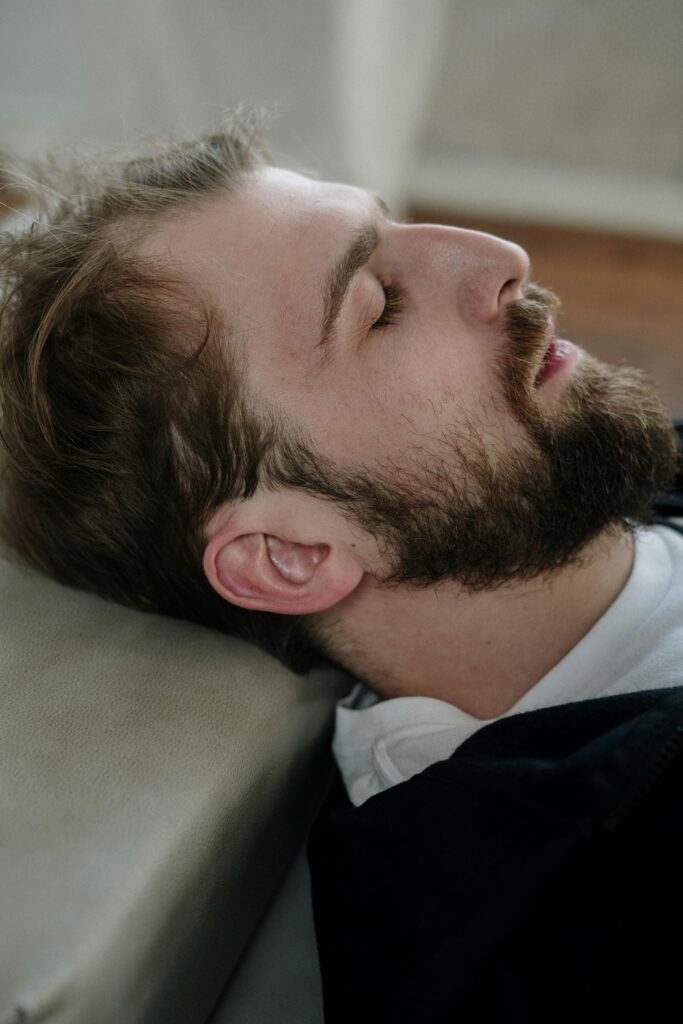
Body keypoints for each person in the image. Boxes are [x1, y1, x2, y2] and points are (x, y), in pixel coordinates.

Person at [1, 114, 682, 1020]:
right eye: (379, 307)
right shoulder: (558, 926)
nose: (498, 254)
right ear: (291, 556)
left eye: (396, 224)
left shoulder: (602, 488)